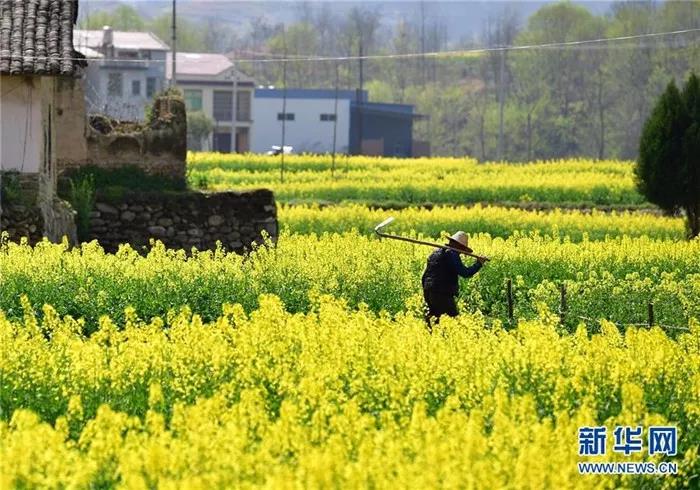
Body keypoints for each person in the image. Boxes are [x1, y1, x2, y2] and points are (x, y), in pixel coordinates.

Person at [421, 231, 487, 329]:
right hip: (442, 293)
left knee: (433, 323)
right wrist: (479, 264)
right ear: (459, 246)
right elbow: (465, 273)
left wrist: (426, 289)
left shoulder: (436, 252)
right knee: (453, 322)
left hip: (428, 291)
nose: (461, 252)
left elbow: (425, 275)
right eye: (462, 249)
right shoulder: (451, 254)